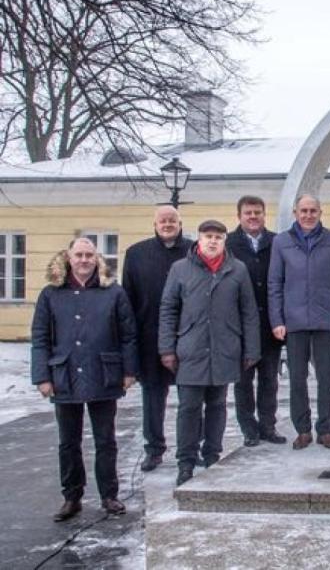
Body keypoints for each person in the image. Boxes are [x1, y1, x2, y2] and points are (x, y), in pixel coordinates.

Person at [31, 238, 139, 521]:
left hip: (104, 375)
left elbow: (128, 336)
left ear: (97, 259)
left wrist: (129, 371)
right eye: (78, 254)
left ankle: (109, 495)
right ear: (68, 257)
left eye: (89, 255)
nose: (83, 260)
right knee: (68, 442)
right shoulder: (51, 294)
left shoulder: (113, 292)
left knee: (106, 440)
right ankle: (71, 496)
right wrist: (42, 377)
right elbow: (40, 338)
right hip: (64, 375)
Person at [159, 220, 260, 486]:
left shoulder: (237, 270)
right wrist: (167, 348)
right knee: (189, 408)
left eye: (218, 236)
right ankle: (186, 462)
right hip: (190, 349)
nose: (213, 241)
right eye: (208, 236)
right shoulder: (180, 269)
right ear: (199, 239)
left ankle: (212, 455)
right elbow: (168, 309)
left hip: (225, 348)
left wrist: (251, 349)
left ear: (224, 240)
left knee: (217, 406)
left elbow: (248, 312)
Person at [268, 194, 330, 451]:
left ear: (320, 212)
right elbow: (275, 284)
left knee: (326, 379)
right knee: (297, 379)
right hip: (294, 323)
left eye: (313, 211)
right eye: (303, 211)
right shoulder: (282, 242)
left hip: (327, 321)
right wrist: (277, 320)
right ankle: (303, 430)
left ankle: (325, 430)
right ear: (295, 212)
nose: (308, 215)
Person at [122, 205, 193, 472]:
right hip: (149, 336)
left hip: (188, 335)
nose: (167, 224)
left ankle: (189, 447)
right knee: (153, 397)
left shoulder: (193, 250)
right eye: (162, 220)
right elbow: (127, 299)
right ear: (154, 223)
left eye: (172, 220)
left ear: (180, 222)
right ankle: (154, 449)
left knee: (190, 397)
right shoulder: (136, 254)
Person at [226, 196, 287, 447]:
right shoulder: (229, 244)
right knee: (243, 382)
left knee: (269, 381)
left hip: (270, 324)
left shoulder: (277, 242)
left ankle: (268, 426)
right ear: (239, 216)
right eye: (248, 213)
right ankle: (249, 429)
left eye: (258, 213)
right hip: (240, 327)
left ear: (264, 215)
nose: (253, 217)